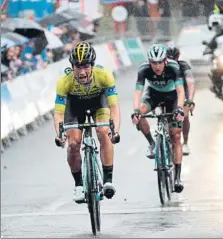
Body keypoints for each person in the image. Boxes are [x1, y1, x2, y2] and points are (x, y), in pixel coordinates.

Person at [54, 41, 121, 203]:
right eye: (78, 67)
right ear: (72, 66)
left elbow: (114, 106)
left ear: (92, 65)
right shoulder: (64, 81)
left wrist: (115, 130)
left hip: (99, 104)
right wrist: (60, 134)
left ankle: (107, 180)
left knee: (103, 132)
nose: (82, 72)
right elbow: (58, 113)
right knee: (73, 143)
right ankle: (78, 184)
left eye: (86, 67)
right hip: (75, 107)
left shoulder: (104, 75)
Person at [131, 44, 185, 193]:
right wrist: (136, 110)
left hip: (172, 97)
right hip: (153, 95)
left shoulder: (174, 67)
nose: (157, 66)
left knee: (175, 135)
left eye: (160, 62)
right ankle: (152, 143)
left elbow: (181, 91)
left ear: (165, 61)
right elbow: (138, 92)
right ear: (149, 62)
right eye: (153, 63)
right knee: (139, 113)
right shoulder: (143, 69)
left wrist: (180, 108)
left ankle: (177, 178)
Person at [167, 46, 195, 156]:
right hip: (168, 94)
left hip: (183, 92)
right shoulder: (161, 66)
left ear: (178, 57)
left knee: (185, 113)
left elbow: (191, 83)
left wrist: (190, 100)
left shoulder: (184, 66)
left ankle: (185, 143)